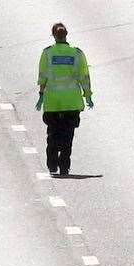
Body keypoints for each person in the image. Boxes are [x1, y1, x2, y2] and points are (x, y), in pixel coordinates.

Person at [36, 22, 93, 177]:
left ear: (53, 36)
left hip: (53, 102)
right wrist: (88, 95)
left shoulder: (47, 53)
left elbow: (42, 76)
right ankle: (64, 166)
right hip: (71, 102)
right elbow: (84, 76)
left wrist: (41, 95)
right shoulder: (76, 54)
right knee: (68, 135)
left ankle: (52, 164)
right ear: (66, 35)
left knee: (53, 134)